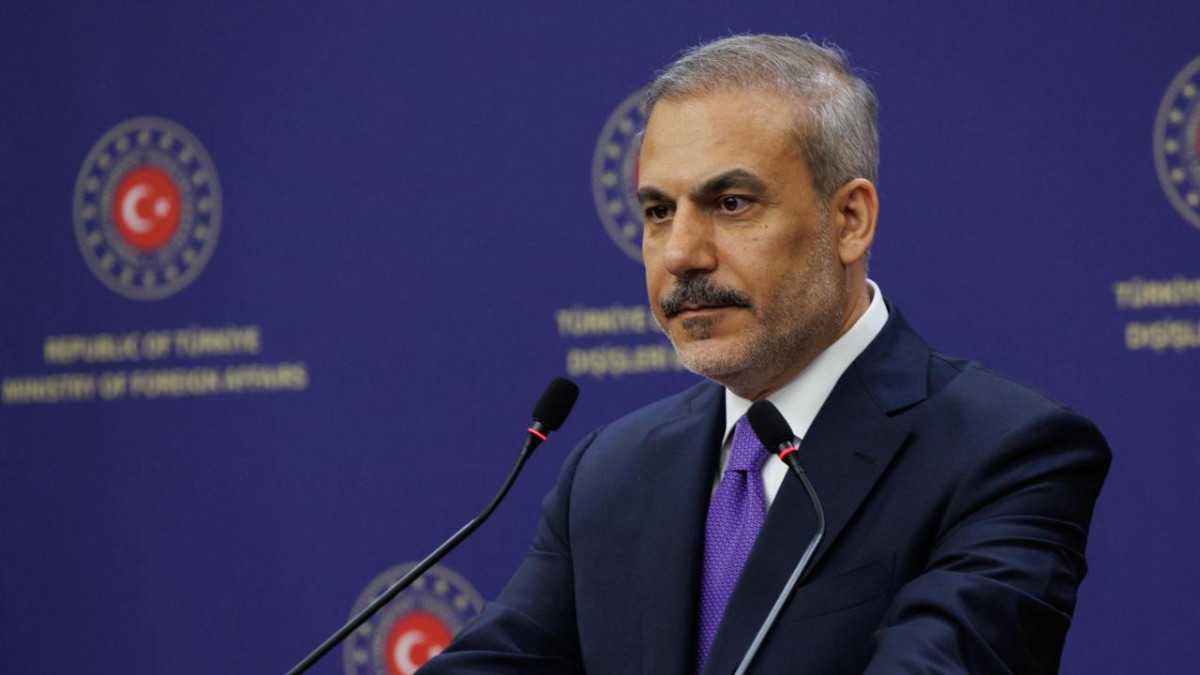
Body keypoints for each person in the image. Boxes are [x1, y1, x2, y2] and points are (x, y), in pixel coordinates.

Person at [420, 34, 1110, 674]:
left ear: (850, 220)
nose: (681, 253)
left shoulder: (1005, 452)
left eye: (731, 203)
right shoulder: (611, 471)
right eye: (658, 212)